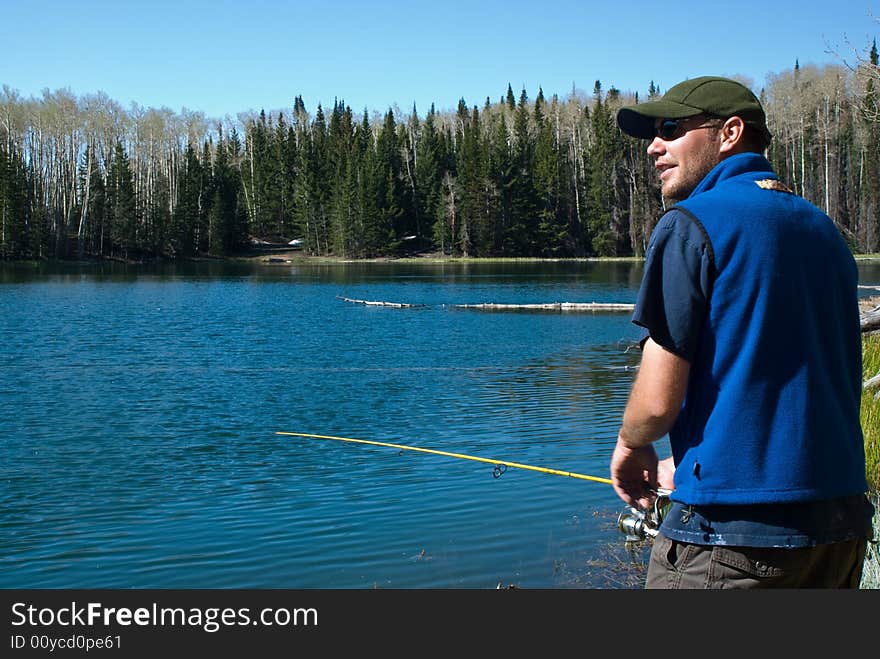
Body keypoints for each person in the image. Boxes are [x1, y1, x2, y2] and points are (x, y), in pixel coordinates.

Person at [610, 76, 875, 588]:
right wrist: (687, 462)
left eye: (670, 128)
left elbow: (658, 403)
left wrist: (630, 444)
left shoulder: (690, 223)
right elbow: (773, 379)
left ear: (730, 132)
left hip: (732, 538)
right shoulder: (823, 231)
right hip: (841, 528)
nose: (654, 146)